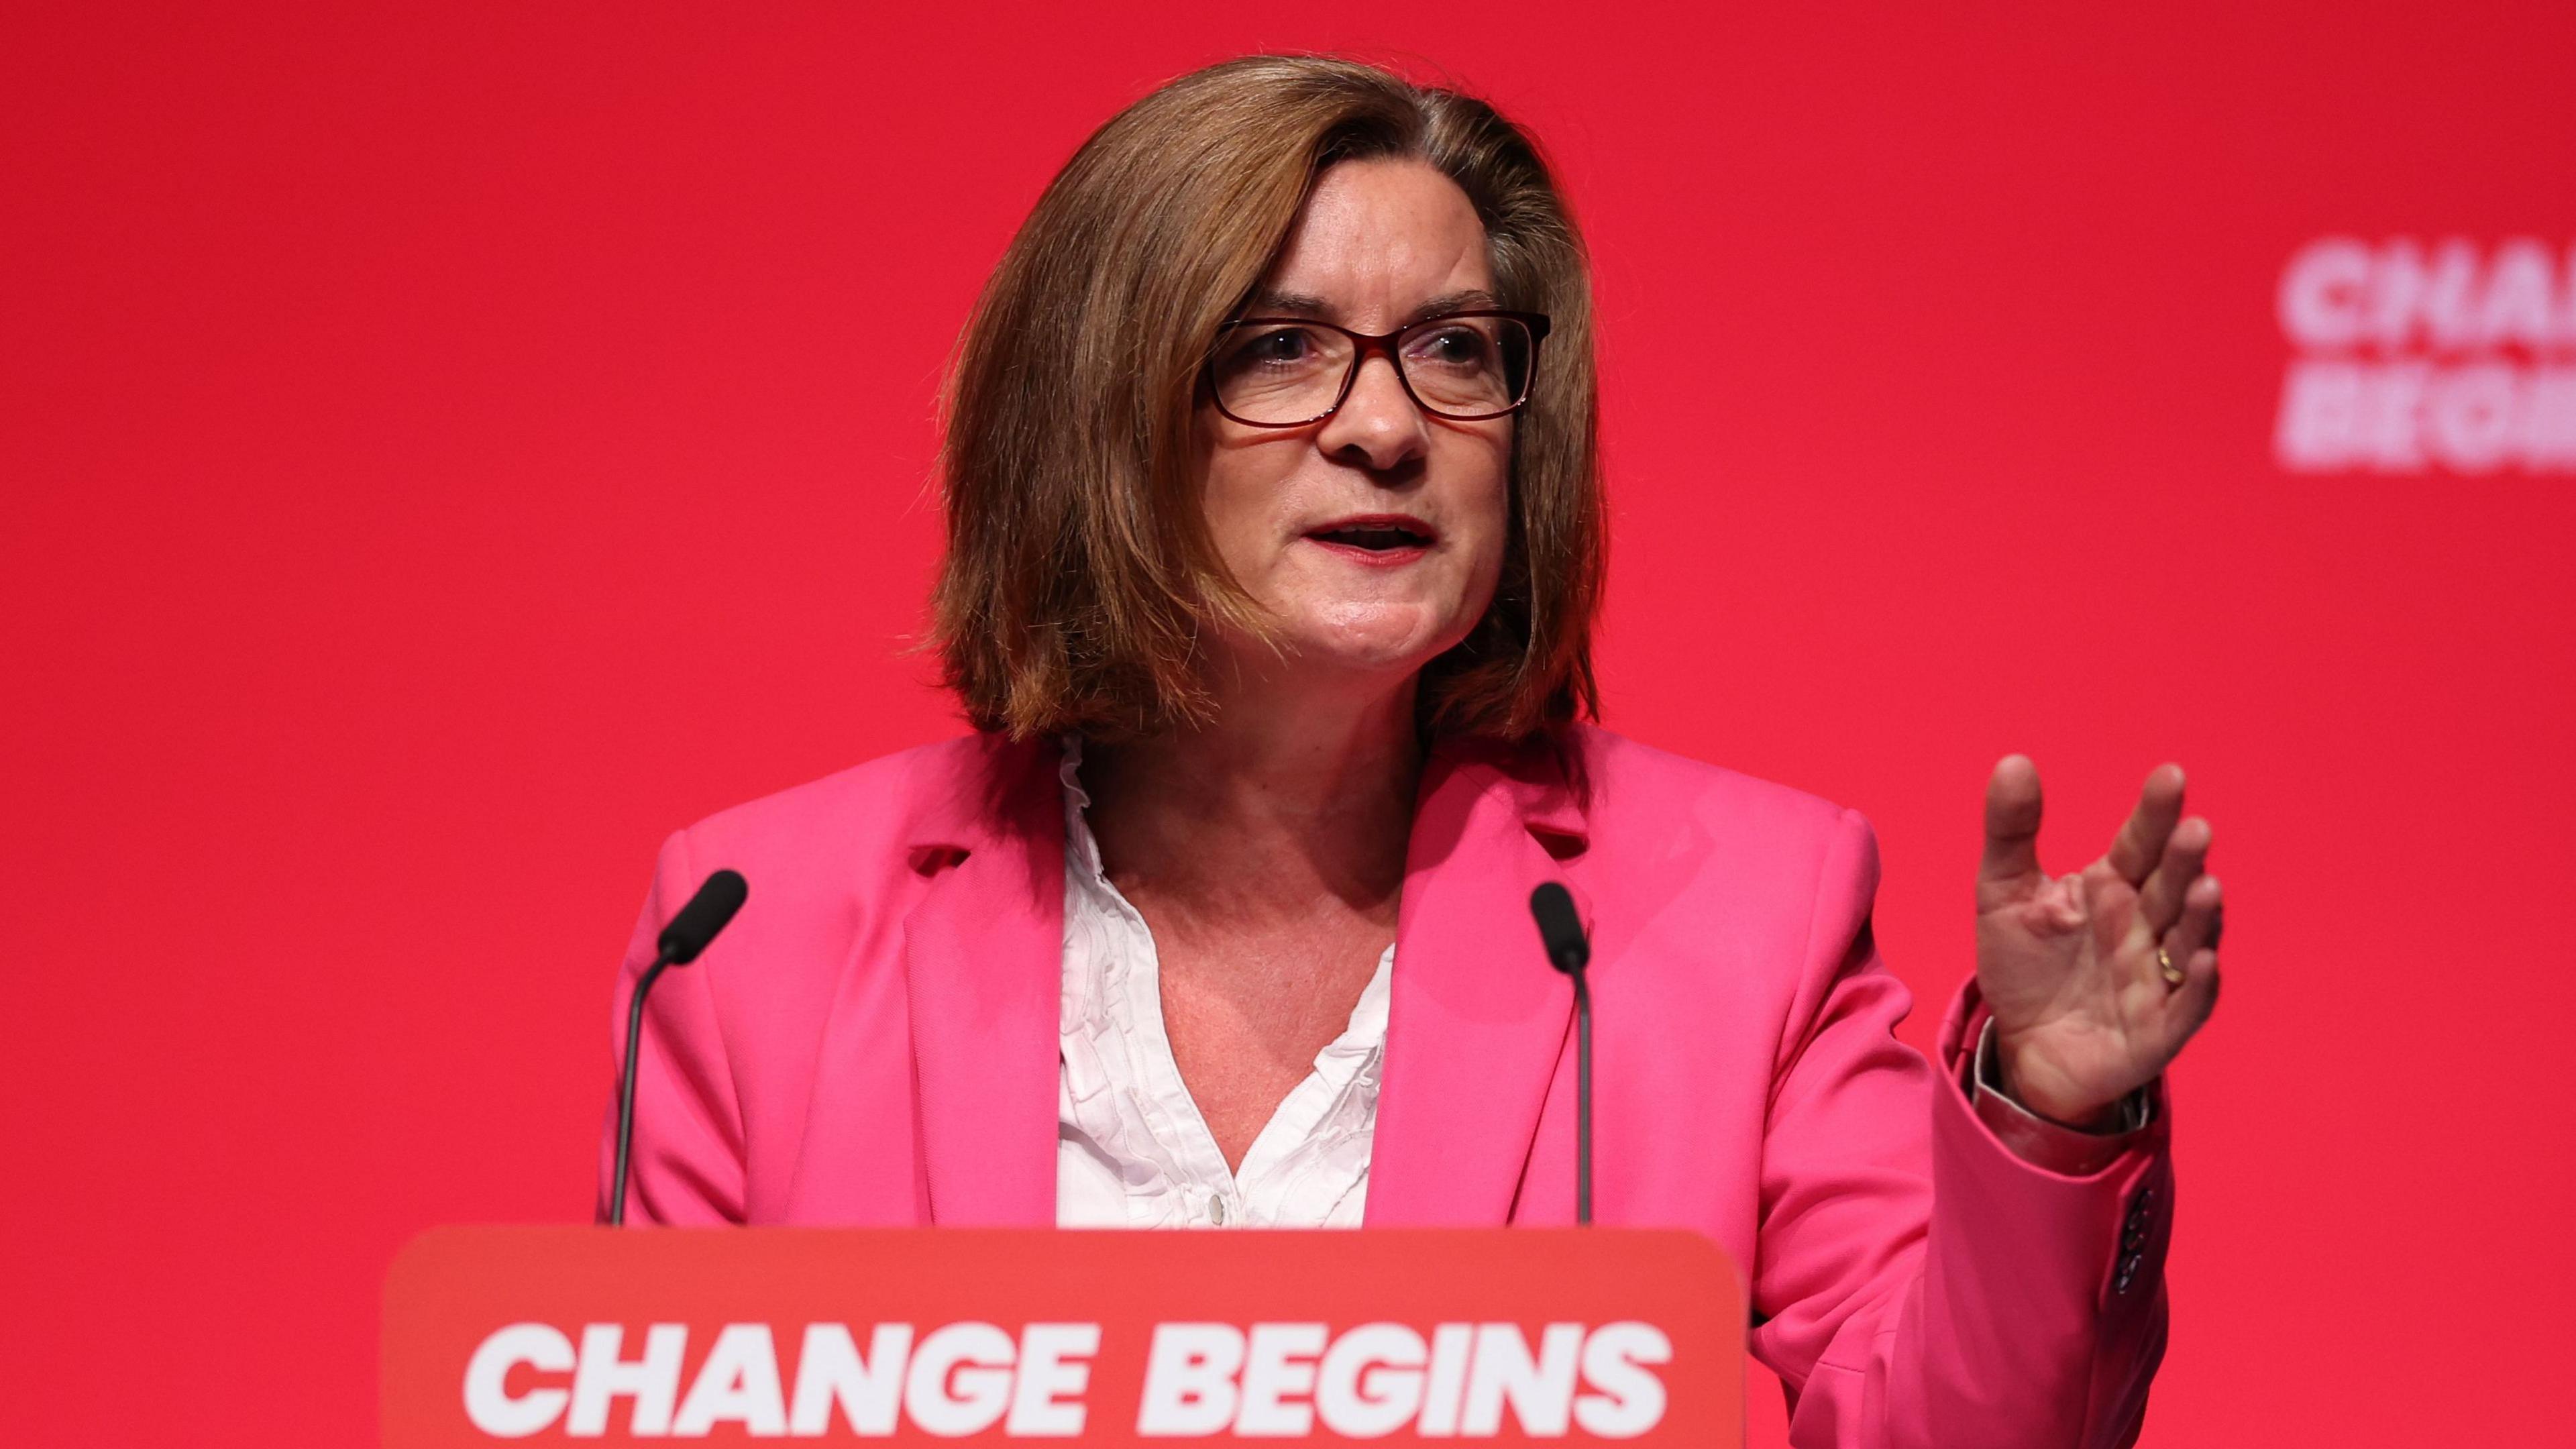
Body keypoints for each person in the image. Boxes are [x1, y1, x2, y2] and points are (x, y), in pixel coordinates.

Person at [600, 55, 2224, 1447]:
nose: (1389, 427)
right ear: (1102, 412)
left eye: (1455, 351)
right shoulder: (755, 928)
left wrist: (2048, 1118)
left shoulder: (1735, 919)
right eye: (1280, 347)